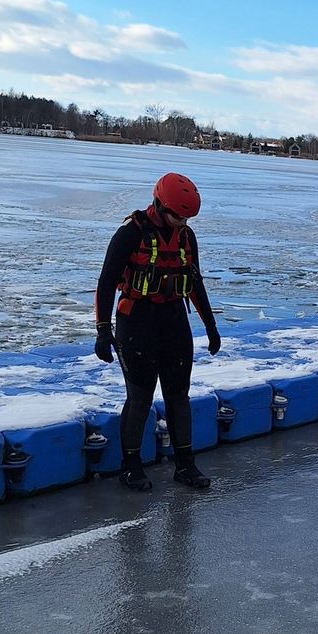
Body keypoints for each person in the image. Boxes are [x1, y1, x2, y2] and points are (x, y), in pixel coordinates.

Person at [94, 172, 221, 492]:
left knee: (179, 396)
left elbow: (194, 282)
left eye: (189, 218)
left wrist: (210, 326)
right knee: (140, 398)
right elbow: (106, 282)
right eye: (179, 216)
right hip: (136, 322)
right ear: (160, 205)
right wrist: (102, 329)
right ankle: (131, 467)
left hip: (173, 319)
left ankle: (185, 465)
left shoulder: (186, 238)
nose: (184, 223)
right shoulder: (130, 233)